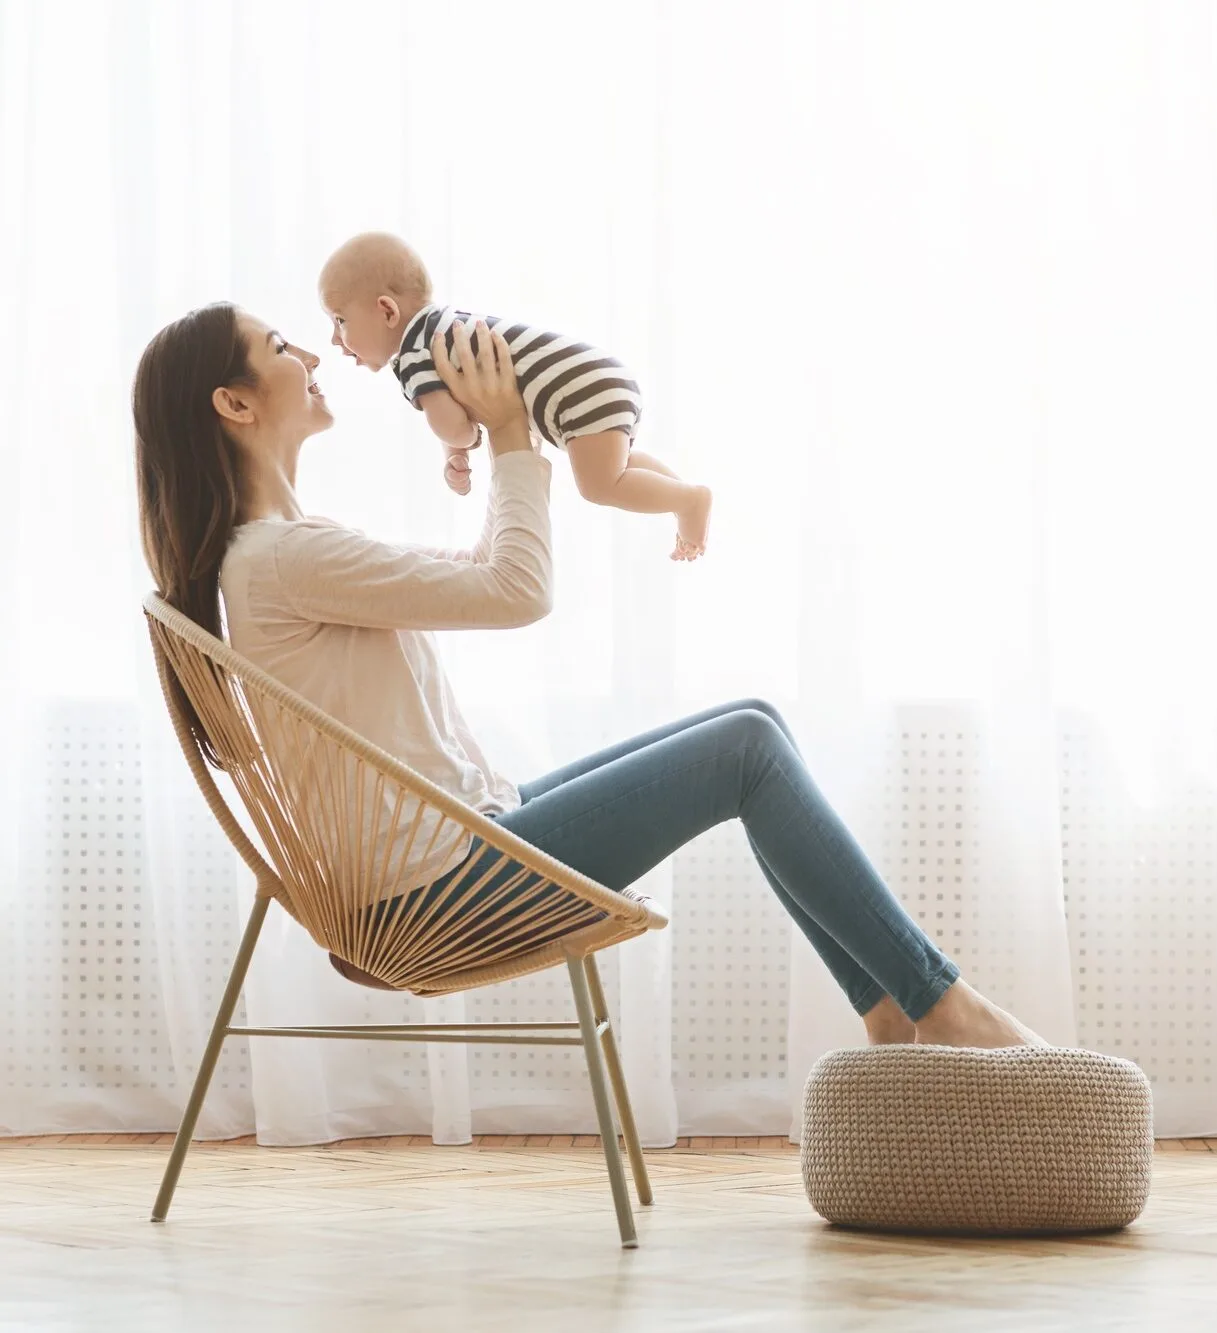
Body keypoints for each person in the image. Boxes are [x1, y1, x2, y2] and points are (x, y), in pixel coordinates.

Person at [133, 301, 1041, 1049]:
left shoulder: (283, 553)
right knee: (749, 750)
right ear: (236, 404)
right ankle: (942, 1005)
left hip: (462, 842)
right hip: (436, 891)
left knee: (753, 717)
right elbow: (517, 589)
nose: (303, 349)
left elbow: (481, 573)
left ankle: (890, 1012)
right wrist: (510, 430)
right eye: (276, 345)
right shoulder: (283, 558)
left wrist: (503, 435)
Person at [317, 232, 713, 561]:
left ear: (387, 311)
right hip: (598, 377)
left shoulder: (413, 354)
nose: (335, 339)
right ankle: (683, 498)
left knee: (599, 485)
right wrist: (452, 451)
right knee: (618, 467)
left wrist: (464, 442)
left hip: (579, 392)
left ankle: (688, 500)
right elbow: (454, 403)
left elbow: (450, 421)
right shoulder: (442, 328)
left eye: (340, 320)